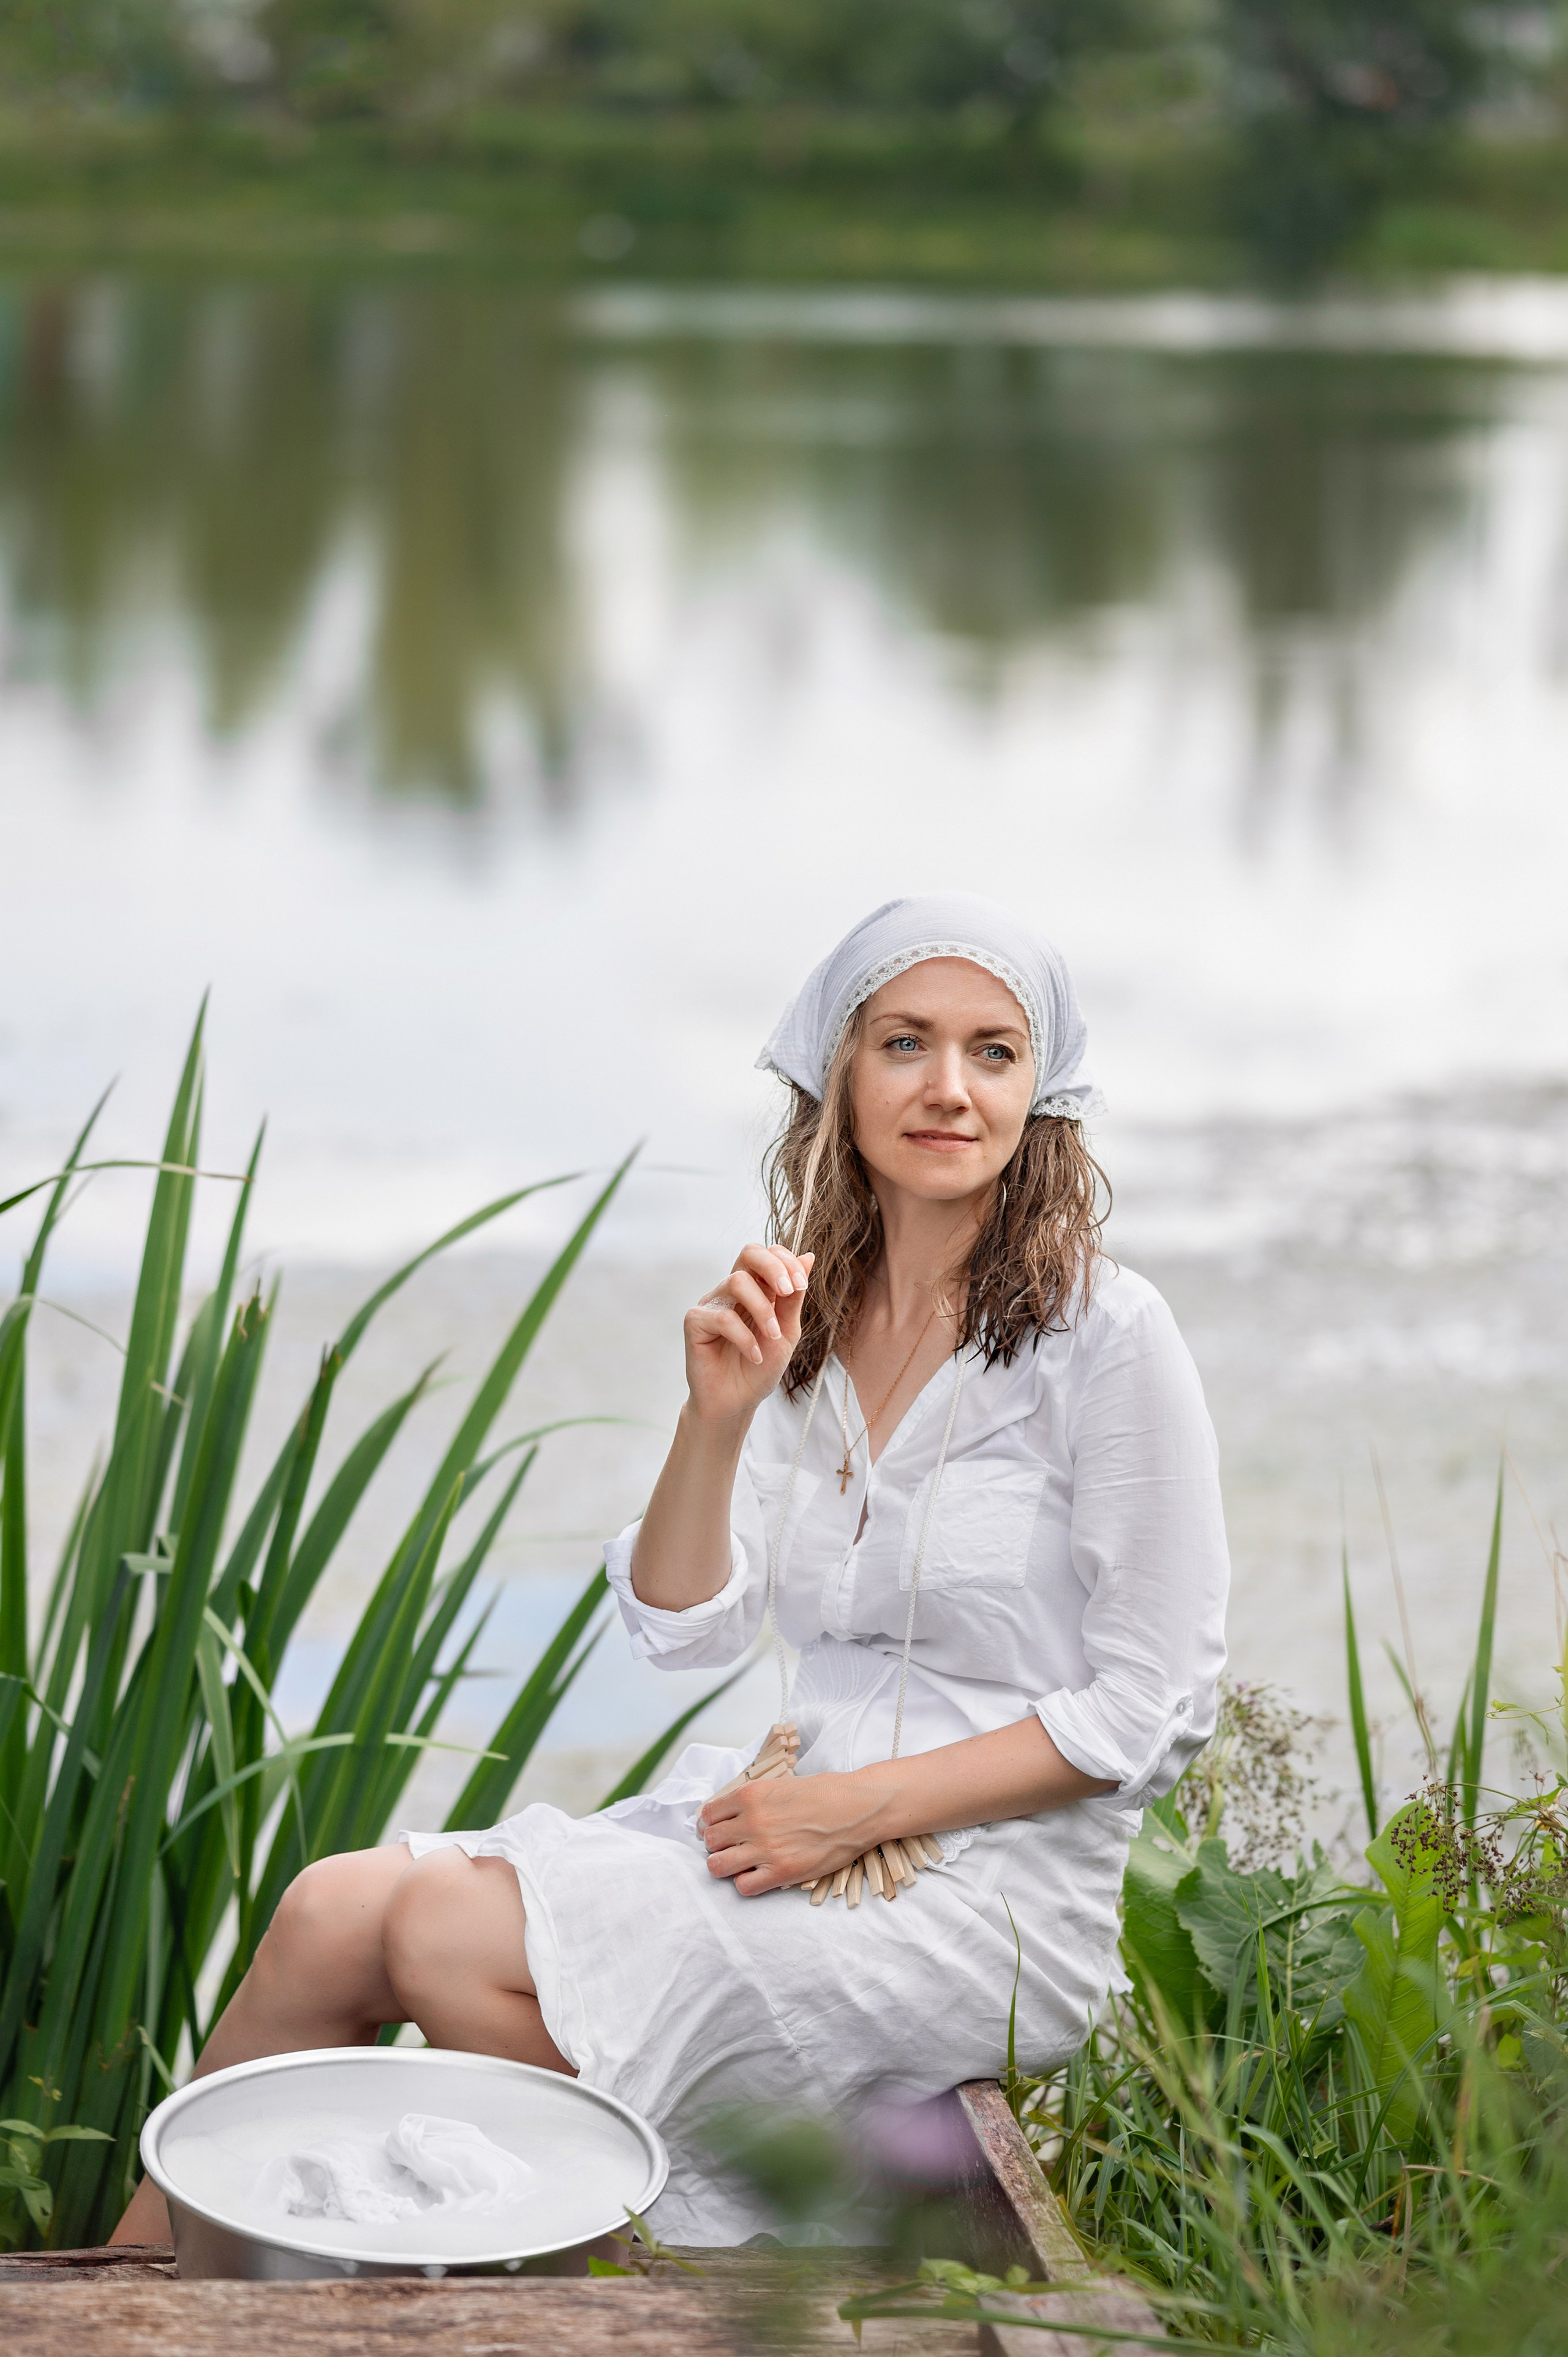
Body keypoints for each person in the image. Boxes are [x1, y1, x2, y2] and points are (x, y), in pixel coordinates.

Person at [112, 893, 1229, 2249]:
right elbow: (687, 1632)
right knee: (332, 1908)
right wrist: (716, 1417)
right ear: (838, 1074)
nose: (947, 1088)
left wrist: (854, 1809)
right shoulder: (803, 1309)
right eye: (904, 1045)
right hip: (775, 1826)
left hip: (979, 1891)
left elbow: (1152, 1705)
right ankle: (126, 2308)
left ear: (1039, 1088)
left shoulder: (1104, 1335)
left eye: (992, 1051)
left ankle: (661, 2228)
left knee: (440, 1947)